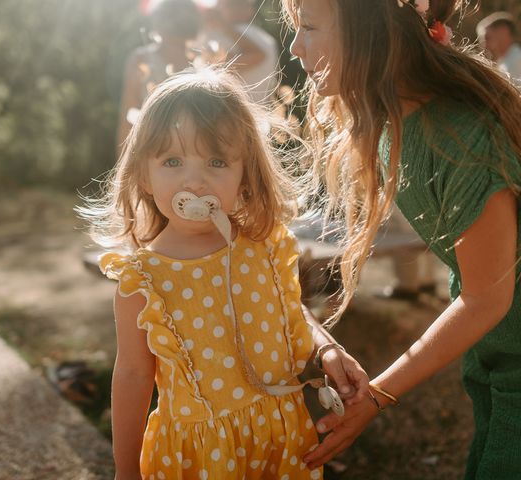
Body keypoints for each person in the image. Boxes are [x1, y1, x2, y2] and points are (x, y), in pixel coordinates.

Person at [84, 68, 369, 479]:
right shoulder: (143, 280)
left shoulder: (264, 247)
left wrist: (325, 348)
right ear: (144, 175)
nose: (194, 180)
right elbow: (131, 375)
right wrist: (126, 470)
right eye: (173, 161)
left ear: (245, 173)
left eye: (217, 161)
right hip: (199, 457)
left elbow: (290, 310)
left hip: (280, 439)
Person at [282, 0, 521, 478]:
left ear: (370, 28)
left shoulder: (461, 137)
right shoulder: (396, 119)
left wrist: (377, 394)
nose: (294, 45)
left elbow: (483, 299)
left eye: (308, 26)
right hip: (498, 354)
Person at [116, 0, 201, 150]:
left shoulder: (202, 60)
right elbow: (128, 116)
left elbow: (128, 115)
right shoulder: (141, 60)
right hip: (155, 147)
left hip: (194, 147)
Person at [477, 11, 521, 85]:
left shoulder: (517, 60)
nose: (483, 44)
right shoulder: (505, 62)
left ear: (503, 32)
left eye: (487, 38)